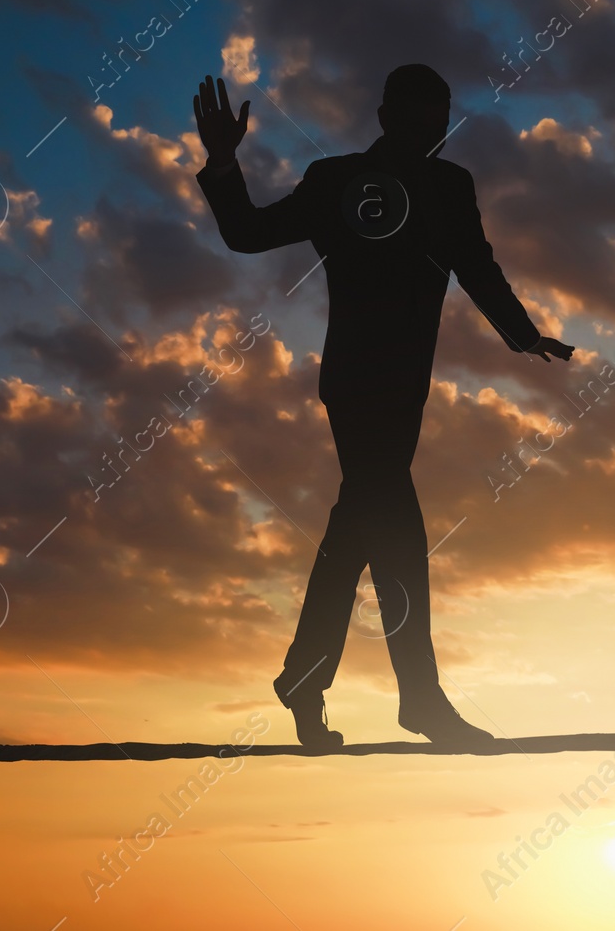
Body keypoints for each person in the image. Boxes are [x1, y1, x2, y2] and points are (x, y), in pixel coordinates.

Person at [192, 65, 572, 749]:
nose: (431, 131)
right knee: (399, 535)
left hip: (405, 389)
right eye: (419, 117)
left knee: (356, 534)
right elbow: (248, 232)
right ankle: (419, 701)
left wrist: (523, 334)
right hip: (357, 386)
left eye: (440, 120)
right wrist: (223, 162)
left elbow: (476, 265)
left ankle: (304, 682)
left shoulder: (451, 187)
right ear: (386, 116)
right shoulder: (335, 181)